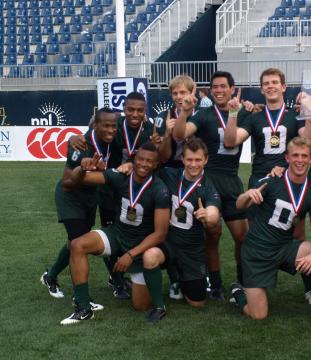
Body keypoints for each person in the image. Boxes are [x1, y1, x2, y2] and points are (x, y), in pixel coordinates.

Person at [223, 67, 311, 304]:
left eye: (275, 82)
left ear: (284, 87)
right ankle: (245, 283)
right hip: (260, 182)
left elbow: (309, 142)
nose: (271, 86)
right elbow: (230, 141)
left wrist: (308, 112)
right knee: (254, 234)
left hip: (288, 180)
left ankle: (309, 288)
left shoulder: (292, 116)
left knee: (296, 230)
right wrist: (233, 114)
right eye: (266, 83)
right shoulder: (255, 117)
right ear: (261, 88)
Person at [59, 142, 171, 325]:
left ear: (155, 165)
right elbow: (80, 179)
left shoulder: (160, 190)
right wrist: (82, 167)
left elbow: (160, 234)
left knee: (140, 305)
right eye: (140, 159)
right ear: (133, 159)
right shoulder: (121, 176)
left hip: (140, 246)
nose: (143, 164)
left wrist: (130, 255)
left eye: (149, 161)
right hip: (117, 234)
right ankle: (83, 307)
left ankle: (154, 293)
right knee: (77, 244)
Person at [231, 137, 311, 320]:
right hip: (258, 251)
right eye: (295, 155)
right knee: (258, 315)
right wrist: (247, 195)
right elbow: (239, 205)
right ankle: (239, 292)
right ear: (287, 158)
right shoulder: (272, 180)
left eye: (304, 156)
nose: (300, 160)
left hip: (284, 248)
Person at [172, 71, 254, 300]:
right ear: (209, 91)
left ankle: (243, 280)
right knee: (213, 235)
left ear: (232, 88)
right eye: (214, 87)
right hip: (208, 183)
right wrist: (184, 112)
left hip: (231, 181)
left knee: (242, 237)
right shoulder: (204, 115)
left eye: (223, 87)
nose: (219, 91)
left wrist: (237, 112)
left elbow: (231, 140)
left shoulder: (244, 113)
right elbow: (179, 135)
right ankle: (215, 282)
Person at [41, 108, 117, 310]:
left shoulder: (112, 139)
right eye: (106, 126)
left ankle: (50, 276)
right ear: (95, 126)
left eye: (113, 125)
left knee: (75, 243)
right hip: (71, 199)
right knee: (79, 243)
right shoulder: (81, 144)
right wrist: (82, 169)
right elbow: (67, 182)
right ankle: (80, 297)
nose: (111, 130)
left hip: (91, 197)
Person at [138, 137, 221, 321]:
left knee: (197, 302)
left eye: (198, 160)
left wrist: (208, 215)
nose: (193, 164)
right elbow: (146, 166)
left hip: (192, 249)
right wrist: (128, 166)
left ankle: (179, 279)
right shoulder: (170, 174)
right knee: (150, 256)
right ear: (182, 159)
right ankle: (160, 306)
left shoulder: (208, 187)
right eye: (189, 159)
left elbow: (214, 213)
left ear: (206, 160)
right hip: (167, 242)